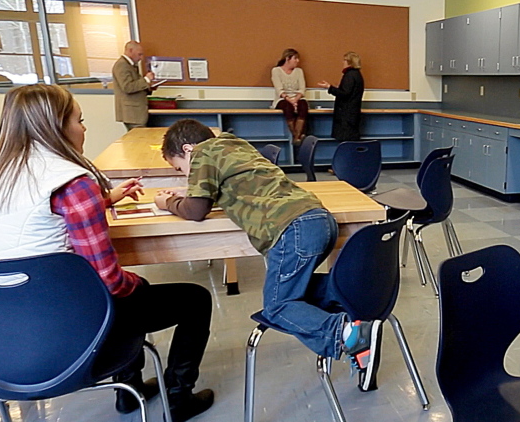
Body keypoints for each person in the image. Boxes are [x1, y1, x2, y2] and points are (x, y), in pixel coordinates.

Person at [0, 84, 214, 422]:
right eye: (79, 120)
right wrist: (137, 283)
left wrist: (103, 201)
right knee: (186, 298)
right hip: (70, 330)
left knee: (117, 297)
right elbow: (109, 280)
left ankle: (130, 391)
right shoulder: (72, 182)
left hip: (0, 338)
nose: (84, 128)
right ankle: (178, 397)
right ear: (56, 127)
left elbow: (36, 223)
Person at [154, 119, 383, 390]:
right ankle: (350, 293)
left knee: (278, 306)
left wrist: (167, 202)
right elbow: (236, 183)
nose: (185, 176)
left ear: (189, 149)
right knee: (293, 289)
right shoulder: (235, 144)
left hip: (292, 230)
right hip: (318, 219)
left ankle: (348, 332)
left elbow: (195, 211)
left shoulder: (203, 153)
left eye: (181, 168)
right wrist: (190, 191)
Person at [317, 52, 364, 142]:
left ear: (349, 62)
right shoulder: (357, 75)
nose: (343, 62)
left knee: (346, 141)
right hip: (352, 114)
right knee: (351, 142)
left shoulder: (349, 75)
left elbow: (345, 93)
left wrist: (329, 87)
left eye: (344, 60)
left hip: (346, 115)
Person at [112, 40, 156, 130]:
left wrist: (149, 86)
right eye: (139, 54)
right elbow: (127, 87)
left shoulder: (130, 66)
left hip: (135, 113)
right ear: (130, 51)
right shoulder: (122, 65)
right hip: (132, 114)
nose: (141, 58)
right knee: (138, 139)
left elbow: (135, 86)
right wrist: (146, 79)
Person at [272, 48, 308, 145]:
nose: (297, 61)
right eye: (295, 59)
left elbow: (302, 88)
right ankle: (296, 135)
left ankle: (297, 137)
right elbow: (279, 90)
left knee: (303, 106)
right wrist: (290, 101)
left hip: (297, 98)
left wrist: (296, 99)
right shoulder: (276, 71)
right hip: (282, 99)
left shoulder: (299, 71)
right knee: (288, 108)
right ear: (288, 59)